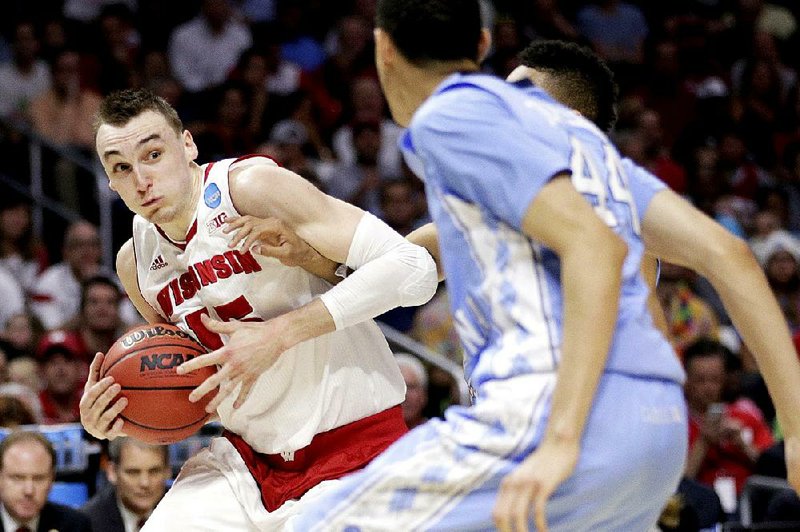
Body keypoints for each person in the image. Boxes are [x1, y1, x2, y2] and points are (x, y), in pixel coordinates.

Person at [290, 2, 800, 531]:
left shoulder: (459, 116)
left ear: (382, 48)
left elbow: (593, 249)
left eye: (521, 93)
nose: (509, 103)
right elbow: (731, 257)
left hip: (556, 415)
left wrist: (562, 437)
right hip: (656, 428)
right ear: (484, 45)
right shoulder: (598, 167)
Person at [79, 88, 438, 529]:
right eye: (121, 168)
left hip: (354, 449)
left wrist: (279, 334)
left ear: (187, 145)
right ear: (110, 183)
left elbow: (414, 267)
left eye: (152, 154)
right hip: (245, 464)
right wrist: (121, 415)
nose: (141, 179)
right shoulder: (135, 263)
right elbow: (197, 385)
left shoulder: (248, 187)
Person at [0, 430, 91, 532]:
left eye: (39, 478)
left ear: (52, 479)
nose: (29, 491)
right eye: (18, 478)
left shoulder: (75, 526)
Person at [81, 438, 170, 532]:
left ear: (168, 471)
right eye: (133, 472)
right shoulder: (87, 523)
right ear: (112, 472)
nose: (145, 483)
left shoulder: (184, 512)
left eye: (154, 471)